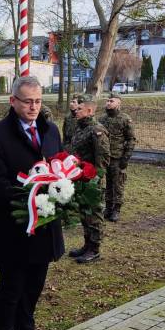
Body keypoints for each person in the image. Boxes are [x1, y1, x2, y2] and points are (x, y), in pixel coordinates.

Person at [0, 76, 64, 330]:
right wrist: (30, 194)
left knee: (33, 288)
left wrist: (60, 192)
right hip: (12, 230)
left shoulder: (51, 131)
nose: (33, 107)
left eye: (38, 101)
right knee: (11, 290)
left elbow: (61, 168)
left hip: (44, 228)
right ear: (12, 101)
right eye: (27, 101)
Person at [69, 97, 110, 264]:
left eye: (79, 109)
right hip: (81, 178)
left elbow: (103, 157)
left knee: (94, 214)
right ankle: (87, 245)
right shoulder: (80, 129)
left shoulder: (97, 130)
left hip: (93, 180)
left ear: (90, 111)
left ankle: (94, 249)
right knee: (84, 212)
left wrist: (96, 179)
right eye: (76, 109)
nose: (76, 111)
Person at [99, 94, 136, 222]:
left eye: (111, 101)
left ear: (118, 104)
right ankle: (108, 207)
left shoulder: (125, 119)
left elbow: (131, 139)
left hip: (117, 157)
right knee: (107, 183)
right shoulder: (102, 120)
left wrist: (126, 157)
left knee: (118, 184)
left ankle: (116, 209)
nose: (108, 103)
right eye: (107, 101)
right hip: (105, 158)